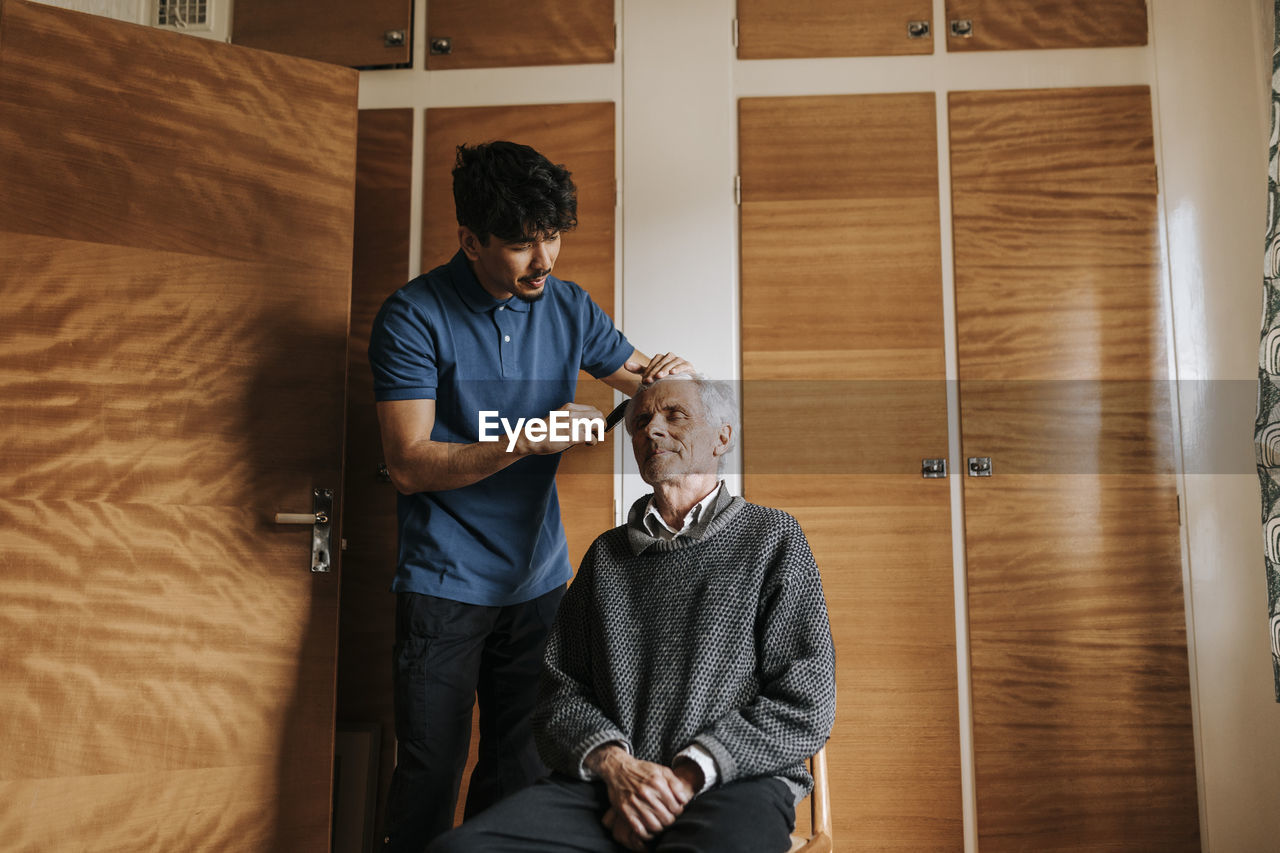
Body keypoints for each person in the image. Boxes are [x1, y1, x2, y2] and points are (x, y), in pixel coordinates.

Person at [369, 140, 693, 852]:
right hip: (443, 582)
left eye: (551, 236)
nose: (544, 260)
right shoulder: (413, 317)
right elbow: (408, 463)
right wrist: (524, 438)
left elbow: (650, 384)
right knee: (429, 772)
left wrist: (674, 376)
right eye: (521, 243)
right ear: (470, 239)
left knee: (520, 771)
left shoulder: (569, 307)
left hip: (537, 581)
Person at [426, 375, 837, 853]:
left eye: (673, 415)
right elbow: (559, 698)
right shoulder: (606, 557)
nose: (651, 431)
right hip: (608, 785)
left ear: (722, 436)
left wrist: (683, 778)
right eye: (640, 422)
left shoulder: (772, 537)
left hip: (735, 782)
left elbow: (805, 701)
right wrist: (619, 771)